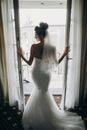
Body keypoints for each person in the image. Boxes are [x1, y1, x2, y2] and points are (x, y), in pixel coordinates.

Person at [18, 22, 86, 130]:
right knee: (43, 92)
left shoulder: (34, 46)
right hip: (46, 74)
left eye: (36, 35)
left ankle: (41, 116)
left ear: (39, 35)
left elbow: (30, 63)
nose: (35, 37)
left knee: (39, 91)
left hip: (36, 72)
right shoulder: (52, 48)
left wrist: (21, 55)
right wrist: (64, 53)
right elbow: (56, 63)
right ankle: (45, 115)